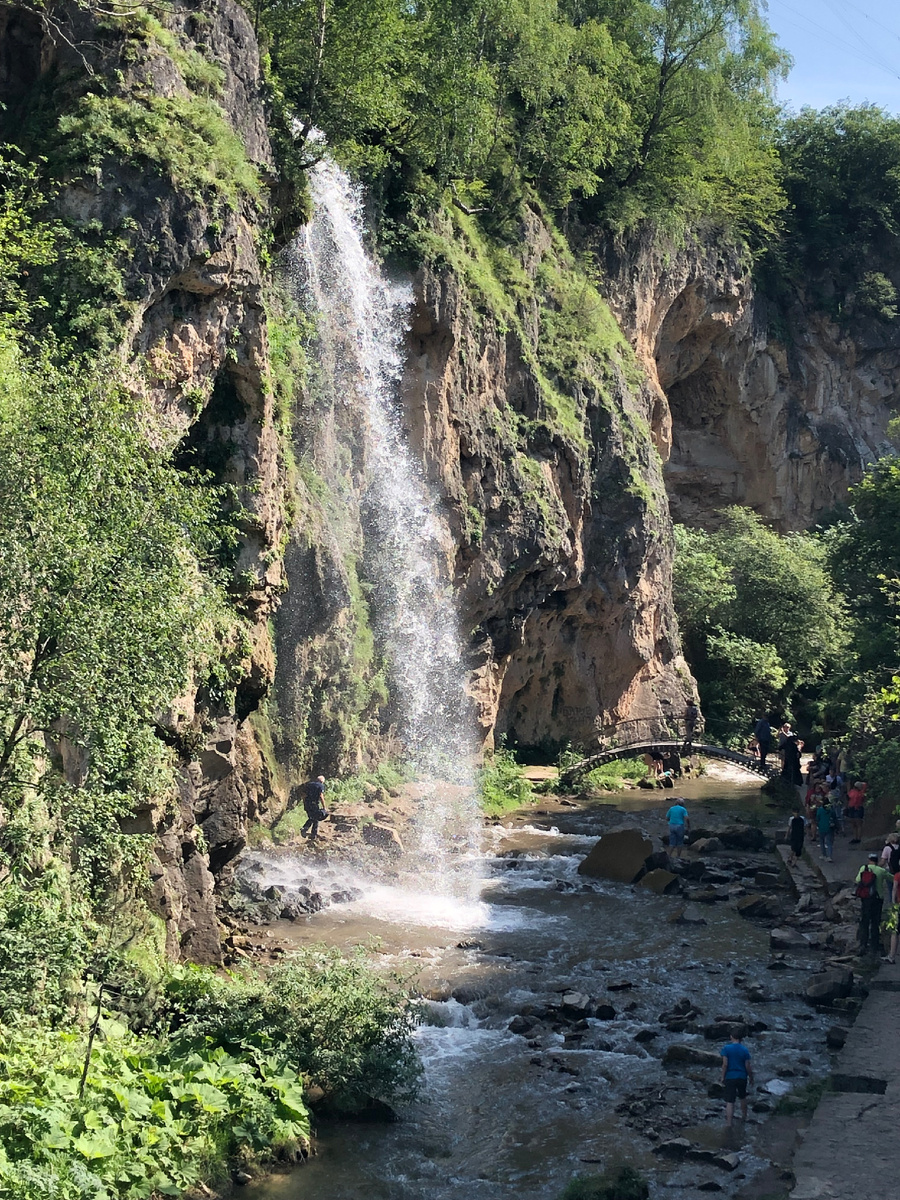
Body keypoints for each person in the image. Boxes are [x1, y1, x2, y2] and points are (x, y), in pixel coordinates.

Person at [856, 853, 892, 955]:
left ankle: (863, 944)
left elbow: (858, 880)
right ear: (877, 860)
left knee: (864, 922)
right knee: (875, 923)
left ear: (869, 860)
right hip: (877, 899)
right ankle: (874, 947)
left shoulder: (864, 868)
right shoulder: (881, 870)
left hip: (866, 898)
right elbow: (892, 878)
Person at [720, 1029, 754, 1126]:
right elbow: (748, 1066)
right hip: (742, 1077)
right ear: (741, 1039)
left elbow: (725, 1064)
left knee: (730, 1101)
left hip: (730, 1077)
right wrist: (751, 1077)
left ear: (731, 1037)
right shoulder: (744, 1050)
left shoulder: (726, 1048)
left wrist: (722, 1076)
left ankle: (729, 1123)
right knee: (743, 1097)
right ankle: (744, 1117)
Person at [301, 774, 327, 841]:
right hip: (314, 804)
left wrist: (304, 804)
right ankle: (309, 833)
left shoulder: (309, 784)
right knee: (315, 819)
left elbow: (304, 795)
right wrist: (324, 807)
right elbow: (321, 796)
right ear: (322, 781)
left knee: (312, 818)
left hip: (307, 803)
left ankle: (309, 833)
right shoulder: (320, 786)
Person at [882, 868, 900, 965]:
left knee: (895, 931)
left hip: (898, 906)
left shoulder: (897, 875)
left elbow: (894, 889)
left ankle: (891, 956)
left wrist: (893, 902)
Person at [815, 794, 836, 862]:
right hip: (830, 827)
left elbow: (817, 818)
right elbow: (834, 818)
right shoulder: (831, 810)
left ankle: (824, 855)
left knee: (822, 841)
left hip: (821, 827)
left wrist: (817, 824)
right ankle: (829, 856)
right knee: (829, 842)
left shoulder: (820, 810)